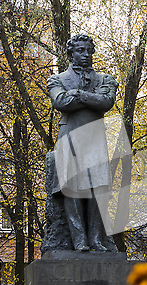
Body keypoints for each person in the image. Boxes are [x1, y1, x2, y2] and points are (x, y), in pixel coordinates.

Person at [47, 34, 118, 252]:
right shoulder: (57, 79)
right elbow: (60, 102)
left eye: (88, 50)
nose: (85, 55)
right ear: (71, 54)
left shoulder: (105, 79)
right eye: (80, 50)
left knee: (98, 189)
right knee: (72, 188)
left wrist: (77, 95)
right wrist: (90, 98)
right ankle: (79, 240)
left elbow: (106, 102)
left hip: (95, 138)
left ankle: (96, 239)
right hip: (70, 137)